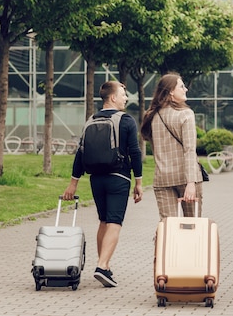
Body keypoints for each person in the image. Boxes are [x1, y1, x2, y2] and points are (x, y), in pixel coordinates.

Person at [63, 81, 143, 288]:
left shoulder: (91, 120)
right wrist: (139, 182)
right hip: (119, 177)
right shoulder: (126, 120)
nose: (126, 98)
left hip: (96, 179)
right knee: (115, 222)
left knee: (103, 221)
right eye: (123, 94)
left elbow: (80, 154)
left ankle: (105, 267)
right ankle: (101, 265)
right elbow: (135, 152)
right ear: (113, 98)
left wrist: (73, 184)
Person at [140, 73, 202, 219]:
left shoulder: (152, 115)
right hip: (186, 177)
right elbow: (189, 150)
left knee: (167, 226)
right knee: (192, 225)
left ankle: (161, 242)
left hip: (163, 178)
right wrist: (191, 183)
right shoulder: (186, 114)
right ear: (171, 91)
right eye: (182, 86)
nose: (185, 89)